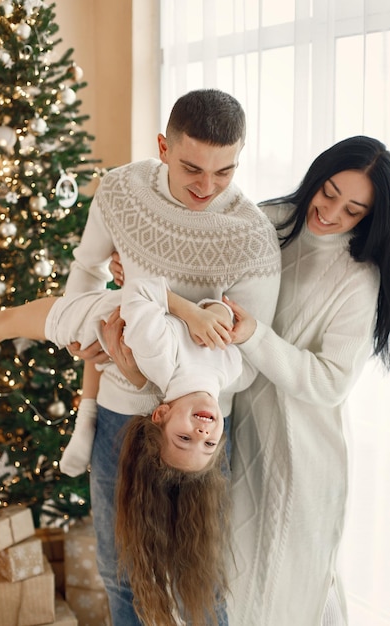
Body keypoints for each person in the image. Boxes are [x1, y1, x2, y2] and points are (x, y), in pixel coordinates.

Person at [111, 135, 390, 626]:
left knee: (286, 585)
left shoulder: (357, 276)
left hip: (300, 449)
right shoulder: (266, 219)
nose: (331, 213)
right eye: (327, 193)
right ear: (315, 177)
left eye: (353, 210)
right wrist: (133, 271)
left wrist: (256, 335)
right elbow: (192, 276)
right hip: (229, 425)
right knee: (221, 579)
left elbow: (331, 384)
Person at [65, 88, 281, 625]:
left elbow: (248, 354)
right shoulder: (119, 192)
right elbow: (87, 268)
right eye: (192, 168)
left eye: (224, 172)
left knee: (200, 578)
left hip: (203, 434)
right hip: (120, 414)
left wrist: (151, 373)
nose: (207, 187)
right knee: (121, 573)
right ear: (163, 146)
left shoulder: (252, 235)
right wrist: (77, 332)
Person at [0, 276, 258, 626]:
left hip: (86, 320)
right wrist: (211, 315)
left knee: (3, 323)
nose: (201, 432)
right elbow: (221, 317)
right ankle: (86, 420)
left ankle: (85, 421)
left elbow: (139, 289)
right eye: (208, 443)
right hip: (123, 340)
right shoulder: (230, 372)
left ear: (161, 414)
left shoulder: (159, 355)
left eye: (186, 439)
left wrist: (190, 316)